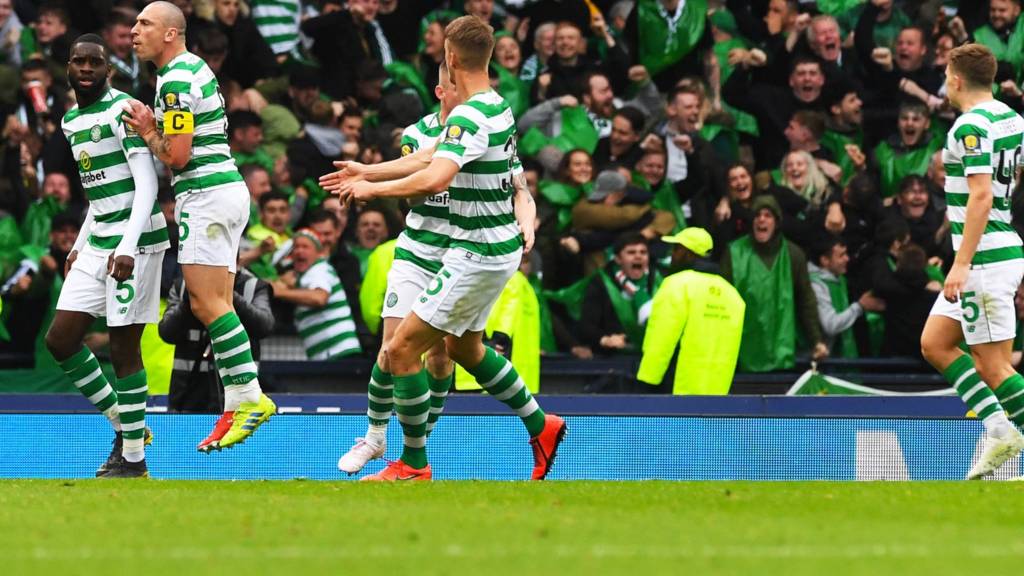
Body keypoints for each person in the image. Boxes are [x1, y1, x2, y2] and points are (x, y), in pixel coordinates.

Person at [324, 16, 566, 481]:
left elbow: (436, 176)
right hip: (486, 249)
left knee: (400, 349)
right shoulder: (495, 106)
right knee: (465, 350)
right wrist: (368, 171)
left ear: (451, 59)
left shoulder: (472, 115)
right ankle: (543, 424)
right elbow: (429, 156)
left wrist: (373, 192)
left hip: (474, 253)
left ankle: (413, 463)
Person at [123, 1, 275, 453]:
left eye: (144, 23)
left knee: (206, 304)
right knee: (219, 302)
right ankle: (234, 403)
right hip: (225, 191)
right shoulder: (192, 69)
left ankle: (251, 397)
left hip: (206, 196)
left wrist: (149, 131)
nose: (134, 31)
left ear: (170, 33)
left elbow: (178, 155)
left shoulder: (174, 81)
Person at [43, 35, 170, 478]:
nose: (85, 68)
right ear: (69, 68)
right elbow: (98, 195)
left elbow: (147, 186)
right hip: (99, 240)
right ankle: (126, 425)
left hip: (137, 242)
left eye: (94, 62)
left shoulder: (125, 111)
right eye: (78, 61)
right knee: (60, 340)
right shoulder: (72, 121)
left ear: (108, 70)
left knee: (122, 346)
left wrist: (128, 246)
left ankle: (133, 460)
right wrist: (79, 243)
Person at [336, 62, 461, 476]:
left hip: (458, 255)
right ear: (442, 92)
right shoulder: (418, 134)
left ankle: (418, 441)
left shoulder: (480, 132)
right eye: (457, 85)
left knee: (442, 357)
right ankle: (374, 437)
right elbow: (418, 188)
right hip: (416, 250)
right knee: (392, 348)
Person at [919, 43, 1024, 480]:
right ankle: (1000, 429)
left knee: (992, 366)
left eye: (946, 73)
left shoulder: (968, 126)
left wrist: (961, 264)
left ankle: (1009, 431)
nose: (945, 81)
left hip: (981, 259)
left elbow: (981, 195)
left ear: (956, 78)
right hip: (1000, 248)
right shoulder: (1012, 118)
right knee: (936, 343)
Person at [637, 227, 745, 395]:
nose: (672, 254)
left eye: (676, 249)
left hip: (676, 387)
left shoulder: (677, 284)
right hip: (717, 391)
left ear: (687, 252)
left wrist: (648, 380)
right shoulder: (732, 294)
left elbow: (661, 336)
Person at [271, 228, 362, 360]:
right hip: (327, 357)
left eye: (305, 247)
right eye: (296, 247)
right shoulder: (303, 277)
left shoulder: (320, 269)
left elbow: (319, 298)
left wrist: (279, 291)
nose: (299, 251)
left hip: (340, 354)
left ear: (319, 254)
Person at [809, 238, 885, 358]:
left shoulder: (841, 281)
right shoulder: (815, 285)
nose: (847, 259)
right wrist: (860, 306)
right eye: (841, 255)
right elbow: (831, 325)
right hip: (821, 360)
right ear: (824, 260)